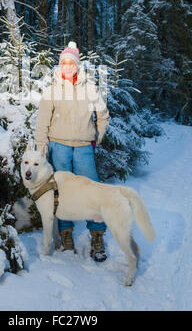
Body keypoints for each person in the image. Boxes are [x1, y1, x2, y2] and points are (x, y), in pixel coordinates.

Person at [34, 41, 110, 262]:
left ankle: (97, 235)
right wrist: (42, 149)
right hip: (59, 147)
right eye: (64, 63)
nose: (68, 67)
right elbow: (42, 123)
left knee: (93, 191)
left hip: (84, 147)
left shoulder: (90, 88)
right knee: (60, 192)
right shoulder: (52, 90)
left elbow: (103, 115)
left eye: (71, 63)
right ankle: (66, 234)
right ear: (60, 65)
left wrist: (97, 136)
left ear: (77, 65)